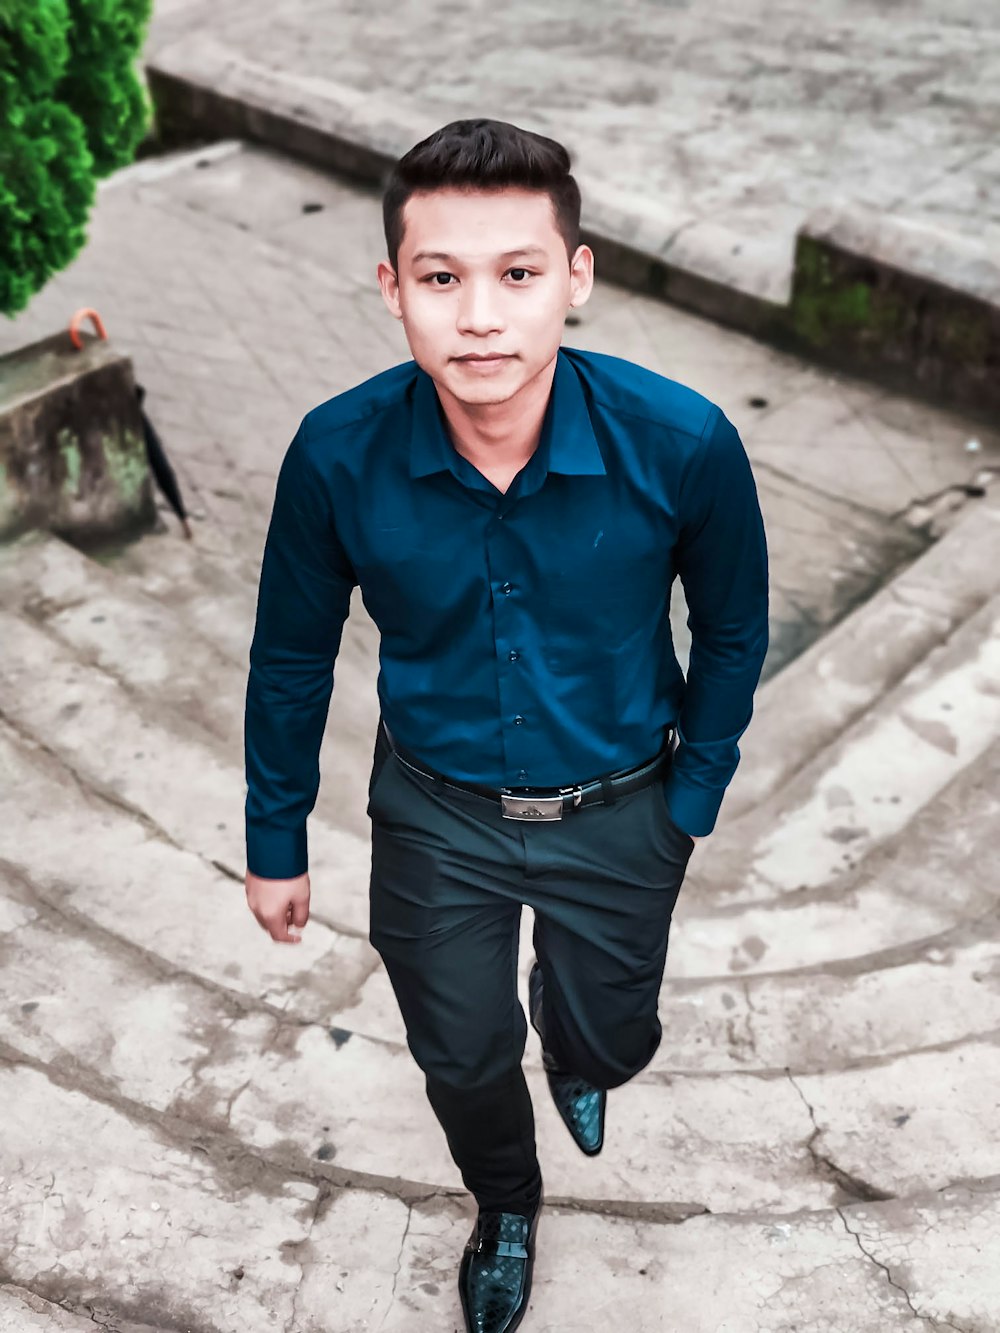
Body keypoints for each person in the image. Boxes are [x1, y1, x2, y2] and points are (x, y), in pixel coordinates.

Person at [243, 117, 769, 1333]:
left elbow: (733, 633)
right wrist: (277, 838)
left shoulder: (684, 443)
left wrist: (688, 805)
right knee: (462, 1054)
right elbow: (290, 657)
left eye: (517, 274)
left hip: (623, 806)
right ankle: (508, 1202)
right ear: (394, 290)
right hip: (434, 813)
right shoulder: (334, 455)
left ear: (574, 280)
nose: (480, 316)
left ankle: (581, 1049)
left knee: (609, 1029)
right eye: (442, 278)